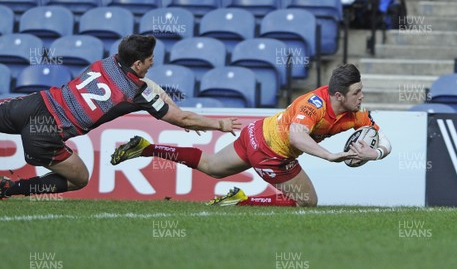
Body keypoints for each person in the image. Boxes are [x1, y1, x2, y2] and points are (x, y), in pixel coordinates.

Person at [111, 64, 392, 207]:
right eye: (357, 93)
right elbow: (296, 136)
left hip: (256, 132)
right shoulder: (314, 105)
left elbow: (383, 138)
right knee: (308, 202)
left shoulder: (356, 115)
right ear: (339, 95)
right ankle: (241, 201)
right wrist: (330, 155)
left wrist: (376, 152)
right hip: (271, 152)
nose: (362, 96)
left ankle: (146, 148)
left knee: (211, 167)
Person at [0, 35, 241, 199]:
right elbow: (182, 119)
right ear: (137, 64)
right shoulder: (135, 93)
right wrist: (219, 124)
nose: (152, 62)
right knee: (80, 178)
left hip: (35, 103)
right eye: (149, 60)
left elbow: (150, 86)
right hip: (46, 132)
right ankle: (10, 188)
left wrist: (169, 102)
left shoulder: (107, 62)